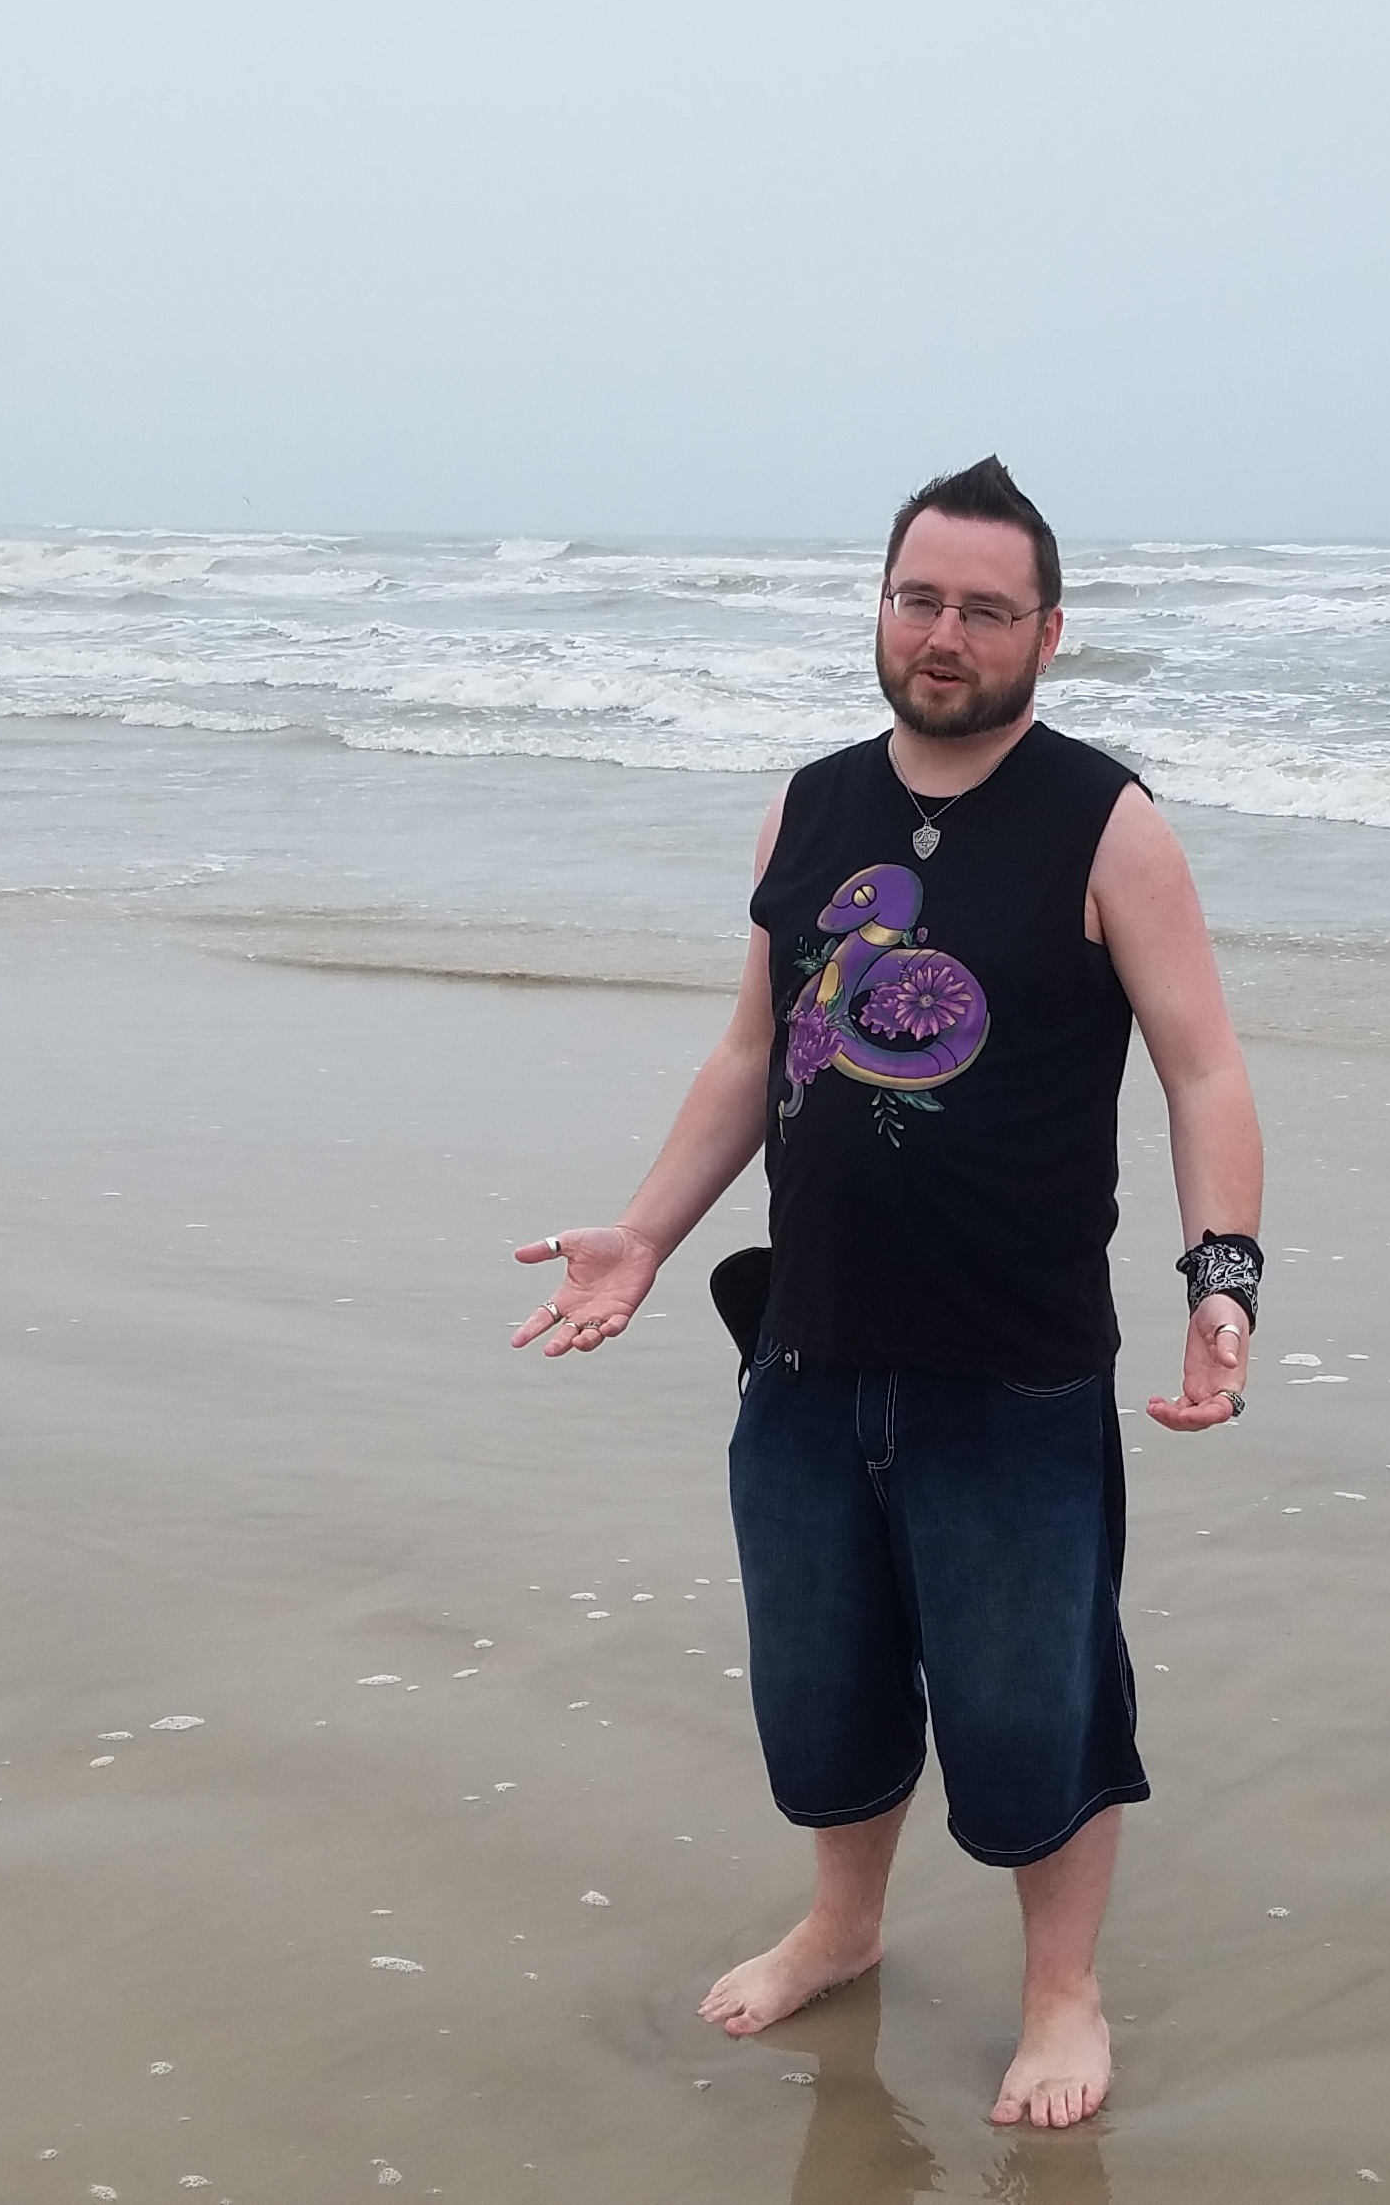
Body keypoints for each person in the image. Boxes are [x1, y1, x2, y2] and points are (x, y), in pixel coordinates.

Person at [507, 456, 1264, 2130]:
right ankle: (842, 1928)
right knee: (825, 1680)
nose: (944, 633)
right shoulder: (811, 806)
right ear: (882, 605)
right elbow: (753, 1048)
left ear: (1048, 633)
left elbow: (1206, 1071)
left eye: (986, 609)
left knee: (1037, 1697)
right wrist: (645, 1231)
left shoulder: (1106, 822)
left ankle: (1061, 1996)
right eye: (920, 597)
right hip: (809, 1344)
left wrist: (1225, 1280)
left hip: (1012, 1364)